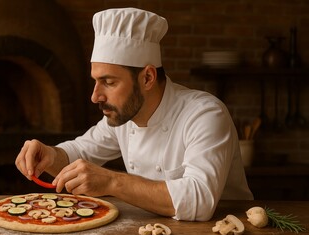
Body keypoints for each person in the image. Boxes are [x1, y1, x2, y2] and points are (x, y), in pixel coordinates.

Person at [15, 7, 253, 221]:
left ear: (147, 78)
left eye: (108, 82)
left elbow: (199, 200)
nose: (95, 96)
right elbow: (78, 152)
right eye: (96, 81)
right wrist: (48, 154)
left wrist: (111, 181)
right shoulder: (122, 117)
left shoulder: (205, 115)